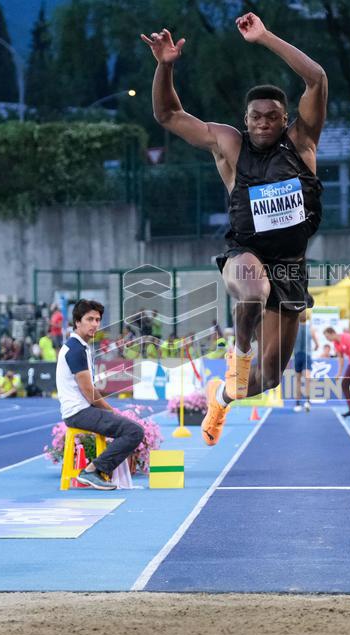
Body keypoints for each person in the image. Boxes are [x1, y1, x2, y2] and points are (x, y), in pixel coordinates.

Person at [143, 11, 327, 445]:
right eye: (256, 116)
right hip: (244, 253)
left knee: (264, 382)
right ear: (245, 120)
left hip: (291, 267)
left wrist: (264, 37)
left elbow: (316, 78)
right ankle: (239, 353)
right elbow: (168, 115)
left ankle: (223, 396)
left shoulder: (302, 143)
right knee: (252, 292)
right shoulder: (228, 143)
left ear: (285, 120)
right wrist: (165, 64)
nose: (264, 123)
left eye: (272, 116)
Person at [57, 299, 144, 491]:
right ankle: (92, 471)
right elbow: (88, 392)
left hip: (80, 410)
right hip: (79, 412)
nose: (95, 324)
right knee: (134, 431)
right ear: (77, 322)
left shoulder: (79, 347)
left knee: (129, 428)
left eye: (97, 320)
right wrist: (110, 410)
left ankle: (96, 471)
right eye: (90, 319)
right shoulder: (76, 350)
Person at [292, 309, 318, 412]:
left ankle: (301, 402)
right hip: (304, 355)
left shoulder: (294, 328)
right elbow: (317, 345)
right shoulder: (309, 329)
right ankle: (305, 401)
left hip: (299, 355)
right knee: (305, 379)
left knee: (299, 380)